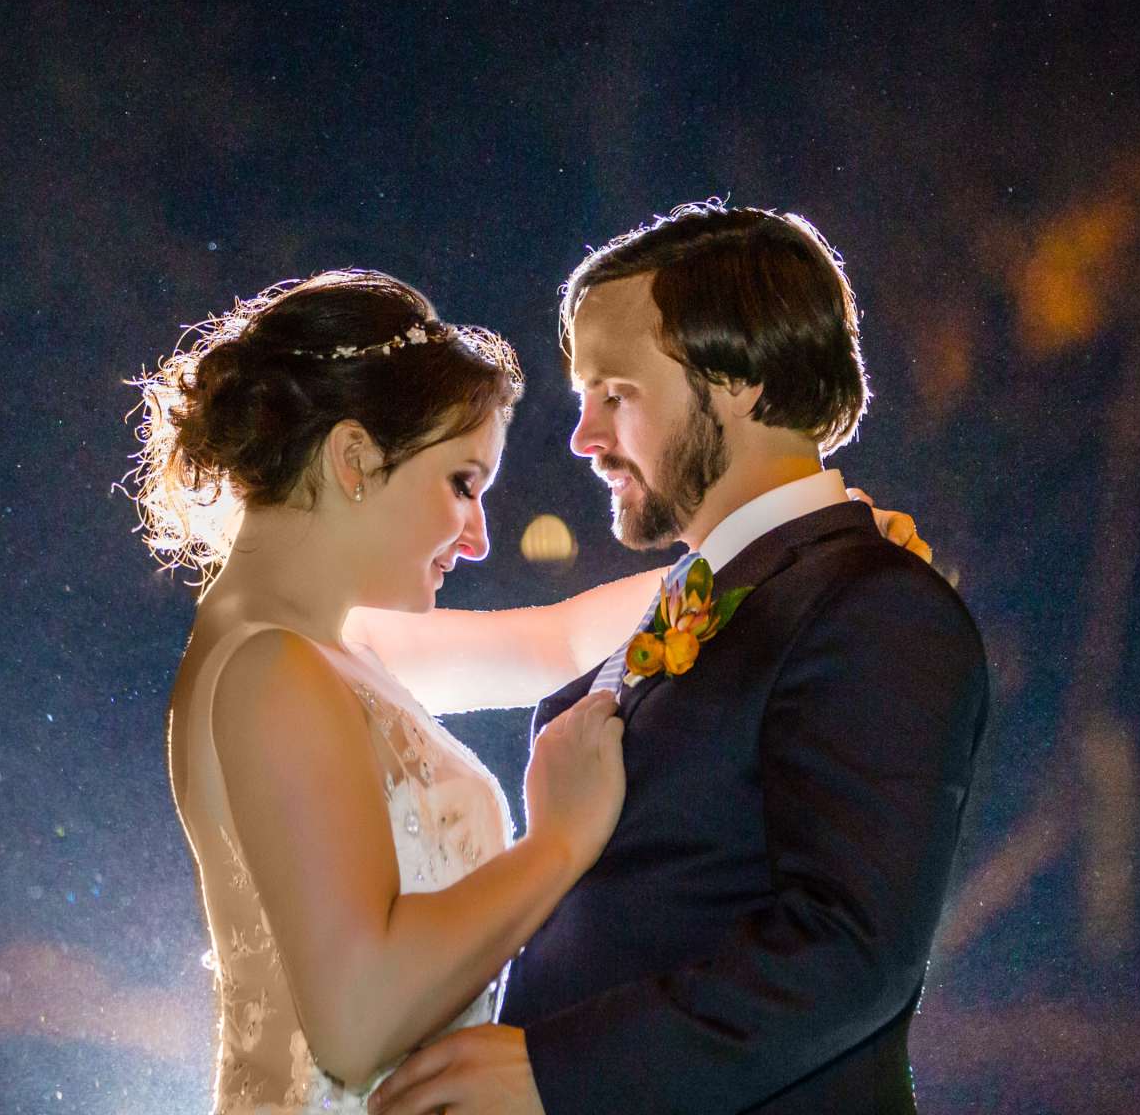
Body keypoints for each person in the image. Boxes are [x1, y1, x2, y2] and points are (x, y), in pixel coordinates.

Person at [365, 205, 989, 1115]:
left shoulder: (874, 609)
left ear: (737, 379)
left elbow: (852, 954)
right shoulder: (704, 598)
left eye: (614, 393)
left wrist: (557, 1073)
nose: (583, 437)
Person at [138, 270, 640, 1113]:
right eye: (462, 485)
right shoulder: (272, 668)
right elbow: (357, 1024)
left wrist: (772, 550)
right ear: (354, 460)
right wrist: (559, 844)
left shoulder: (319, 644)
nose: (478, 538)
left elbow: (556, 642)